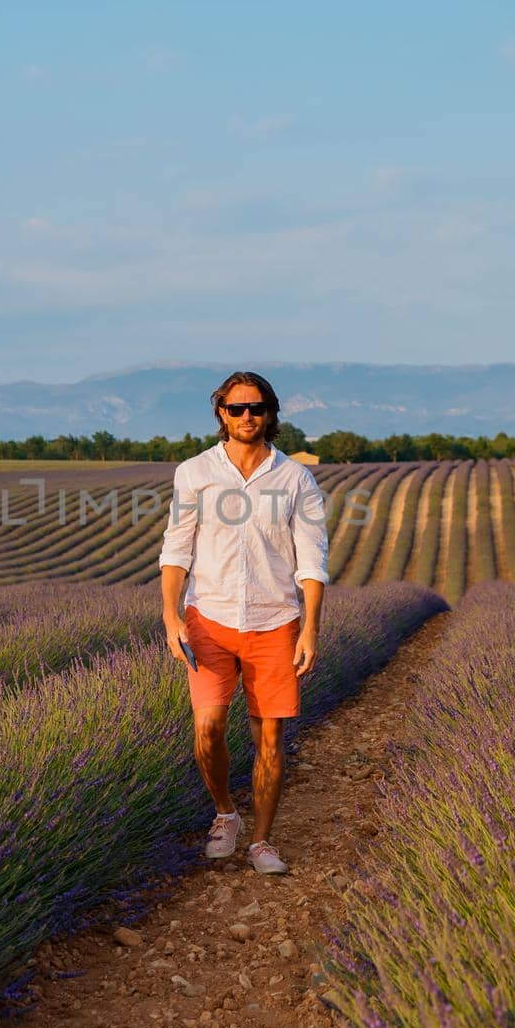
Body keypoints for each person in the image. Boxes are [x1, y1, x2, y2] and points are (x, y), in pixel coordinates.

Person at [157, 370, 328, 875]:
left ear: (272, 414)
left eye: (256, 408)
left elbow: (312, 560)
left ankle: (260, 841)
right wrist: (170, 616)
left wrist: (311, 629)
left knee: (270, 739)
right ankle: (225, 813)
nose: (247, 417)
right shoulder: (194, 473)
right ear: (221, 415)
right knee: (208, 728)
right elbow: (177, 547)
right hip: (208, 617)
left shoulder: (297, 479)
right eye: (236, 409)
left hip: (275, 620)